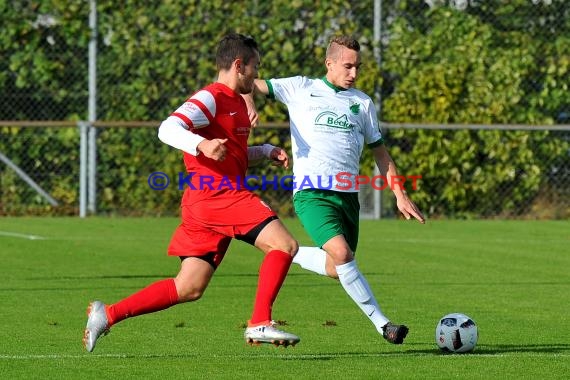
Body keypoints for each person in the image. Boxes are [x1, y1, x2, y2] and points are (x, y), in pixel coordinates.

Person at [83, 33, 301, 352]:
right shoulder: (210, 98)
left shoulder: (238, 104)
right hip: (217, 195)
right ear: (239, 65)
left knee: (189, 287)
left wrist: (265, 151)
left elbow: (231, 153)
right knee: (284, 244)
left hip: (207, 202)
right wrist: (201, 144)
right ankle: (259, 322)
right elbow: (167, 129)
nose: (257, 75)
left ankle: (107, 314)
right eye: (256, 67)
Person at [245, 35, 425, 345]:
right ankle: (384, 325)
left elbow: (380, 153)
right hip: (312, 194)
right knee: (342, 253)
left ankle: (290, 251)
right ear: (329, 63)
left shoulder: (362, 103)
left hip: (347, 197)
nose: (353, 73)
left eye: (358, 67)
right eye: (347, 66)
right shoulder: (300, 87)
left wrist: (399, 193)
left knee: (335, 266)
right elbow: (246, 81)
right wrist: (248, 104)